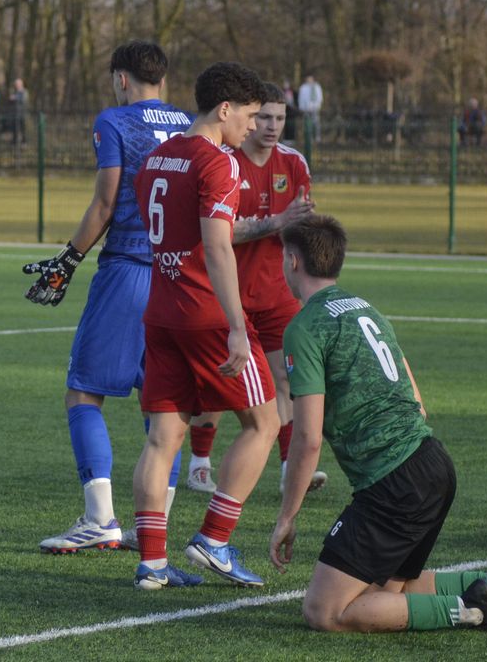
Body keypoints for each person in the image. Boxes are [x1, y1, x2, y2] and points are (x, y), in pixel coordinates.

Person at [269, 214, 487, 631]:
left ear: (293, 261)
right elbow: (419, 406)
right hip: (433, 463)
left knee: (324, 612)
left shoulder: (305, 327)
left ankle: (471, 611)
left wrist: (286, 517)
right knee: (384, 592)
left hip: (395, 484)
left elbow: (307, 438)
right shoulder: (369, 310)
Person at [23, 41, 193, 554]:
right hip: (179, 276)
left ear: (121, 78)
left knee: (83, 391)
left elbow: (104, 203)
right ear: (161, 77)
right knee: (162, 404)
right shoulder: (189, 123)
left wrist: (66, 263)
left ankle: (100, 518)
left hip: (128, 270)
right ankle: (153, 525)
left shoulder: (115, 121)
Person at [130, 61, 279, 590]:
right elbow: (215, 243)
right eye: (250, 115)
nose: (254, 126)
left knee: (162, 437)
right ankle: (214, 539)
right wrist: (238, 326)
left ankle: (151, 564)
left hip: (162, 311)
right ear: (224, 109)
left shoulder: (156, 156)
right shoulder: (220, 162)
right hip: (207, 315)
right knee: (265, 422)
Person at [185, 82, 327, 497]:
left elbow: (296, 225)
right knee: (218, 384)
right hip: (228, 292)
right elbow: (217, 234)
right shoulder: (223, 162)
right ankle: (198, 465)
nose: (271, 126)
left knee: (286, 377)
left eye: (280, 118)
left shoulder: (295, 163)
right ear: (248, 115)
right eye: (263, 117)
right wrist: (274, 222)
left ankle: (288, 467)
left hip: (277, 293)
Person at [297, 75, 323, 144]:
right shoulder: (303, 87)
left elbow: (319, 97)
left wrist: (317, 106)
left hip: (315, 108)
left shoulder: (316, 87)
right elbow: (301, 98)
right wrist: (302, 107)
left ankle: (317, 137)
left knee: (316, 123)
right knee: (307, 124)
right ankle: (309, 138)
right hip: (306, 108)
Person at [9, 78, 28, 145]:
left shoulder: (24, 92)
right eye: (15, 84)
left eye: (17, 84)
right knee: (14, 128)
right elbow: (10, 100)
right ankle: (14, 141)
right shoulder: (15, 92)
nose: (16, 85)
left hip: (22, 113)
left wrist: (15, 98)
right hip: (14, 113)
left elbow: (23, 100)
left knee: (22, 128)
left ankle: (24, 142)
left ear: (21, 84)